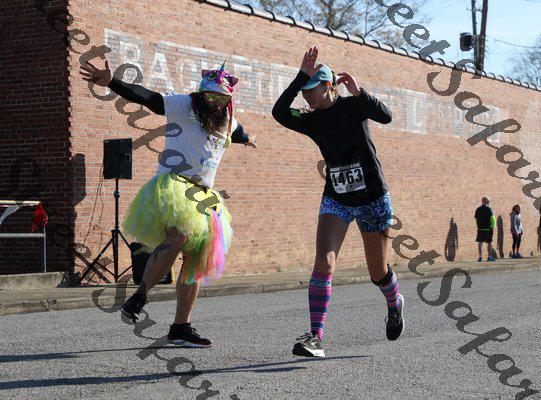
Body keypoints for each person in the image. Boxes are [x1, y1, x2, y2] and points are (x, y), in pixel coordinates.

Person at [79, 59, 257, 347]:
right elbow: (148, 98)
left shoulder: (227, 119)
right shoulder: (184, 105)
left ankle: (180, 327)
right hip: (175, 185)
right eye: (210, 97)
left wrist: (248, 138)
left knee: (196, 260)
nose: (215, 104)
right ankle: (140, 296)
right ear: (201, 94)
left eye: (222, 99)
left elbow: (238, 132)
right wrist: (112, 82)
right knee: (180, 236)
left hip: (203, 195)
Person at [272, 47, 403, 358]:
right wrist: (300, 77)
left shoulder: (354, 106)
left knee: (377, 272)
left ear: (329, 85)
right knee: (324, 261)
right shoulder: (311, 120)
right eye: (303, 91)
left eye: (311, 89)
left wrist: (361, 94)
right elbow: (279, 112)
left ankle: (394, 302)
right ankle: (316, 337)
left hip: (372, 198)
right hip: (337, 198)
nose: (306, 96)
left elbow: (386, 116)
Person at [475, 197, 496, 262]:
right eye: (489, 201)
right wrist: (493, 226)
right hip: (488, 228)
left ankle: (480, 257)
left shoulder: (478, 209)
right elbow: (492, 218)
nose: (489, 202)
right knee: (489, 242)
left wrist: (478, 226)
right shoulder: (489, 209)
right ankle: (489, 257)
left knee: (480, 242)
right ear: (487, 202)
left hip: (480, 228)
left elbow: (476, 219)